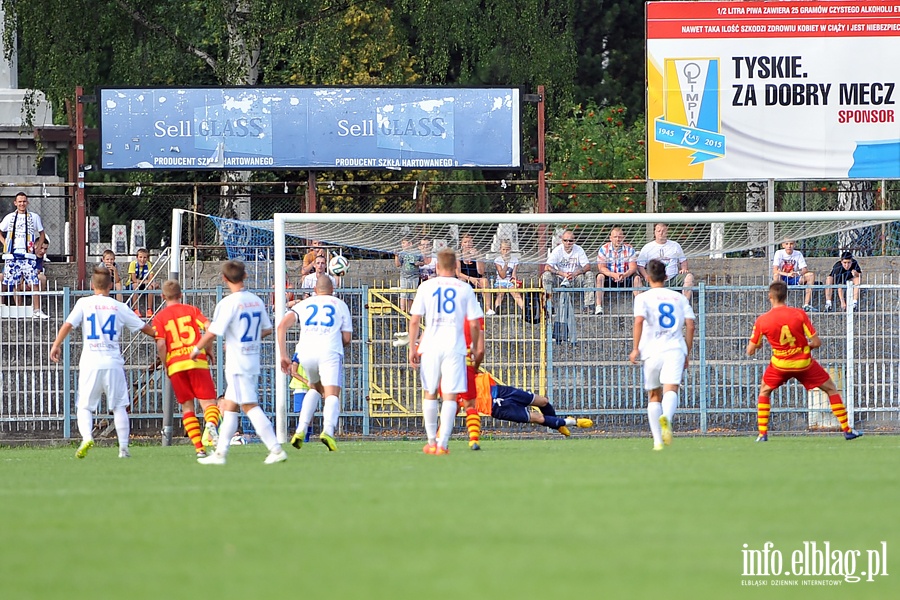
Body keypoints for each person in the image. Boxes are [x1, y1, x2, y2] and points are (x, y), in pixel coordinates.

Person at [49, 266, 155, 458]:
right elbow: (144, 328)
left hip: (90, 362)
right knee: (119, 406)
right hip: (113, 362)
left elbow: (68, 325)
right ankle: (123, 448)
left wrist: (56, 344)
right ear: (111, 286)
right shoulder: (119, 307)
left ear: (92, 285)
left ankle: (87, 437)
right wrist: (162, 335)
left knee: (85, 406)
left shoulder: (84, 303)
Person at [191, 260, 287, 465]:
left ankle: (275, 448)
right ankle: (220, 454)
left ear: (224, 279)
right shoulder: (256, 300)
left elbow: (212, 332)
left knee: (249, 406)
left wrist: (196, 348)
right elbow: (267, 329)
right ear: (245, 276)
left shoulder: (227, 303)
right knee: (230, 406)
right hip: (252, 358)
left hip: (238, 363)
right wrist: (246, 337)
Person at [746, 280, 862, 442]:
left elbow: (750, 350)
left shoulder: (762, 320)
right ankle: (847, 430)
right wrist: (803, 346)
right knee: (831, 389)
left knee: (764, 391)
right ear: (786, 296)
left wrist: (759, 345)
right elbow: (816, 342)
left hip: (780, 364)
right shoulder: (799, 314)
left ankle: (762, 434)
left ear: (770, 296)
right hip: (803, 363)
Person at [408, 248, 484, 455]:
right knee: (450, 396)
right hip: (455, 346)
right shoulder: (464, 288)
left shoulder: (426, 286)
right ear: (455, 266)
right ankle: (442, 444)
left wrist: (412, 347)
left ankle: (431, 441)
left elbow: (415, 319)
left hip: (431, 345)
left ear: (438, 266)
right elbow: (475, 324)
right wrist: (475, 347)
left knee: (430, 392)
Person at [277, 275, 353, 452]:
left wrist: (283, 354)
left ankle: (300, 430)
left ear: (315, 290)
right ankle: (328, 431)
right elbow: (347, 338)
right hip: (329, 351)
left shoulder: (303, 304)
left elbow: (281, 326)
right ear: (332, 290)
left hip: (306, 352)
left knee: (315, 388)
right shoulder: (340, 304)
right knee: (332, 393)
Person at [629, 259, 696, 451]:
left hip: (651, 350)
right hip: (675, 348)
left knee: (653, 395)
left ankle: (657, 441)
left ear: (647, 277)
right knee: (671, 390)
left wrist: (635, 348)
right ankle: (667, 416)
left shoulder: (642, 298)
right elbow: (690, 325)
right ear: (666, 277)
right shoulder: (679, 298)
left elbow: (639, 321)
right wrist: (687, 352)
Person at [153, 280, 221, 458]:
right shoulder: (191, 310)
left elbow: (161, 344)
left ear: (163, 296)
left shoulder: (160, 318)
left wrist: (166, 363)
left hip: (176, 365)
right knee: (208, 403)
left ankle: (199, 448)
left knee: (187, 407)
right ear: (180, 295)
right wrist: (208, 349)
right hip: (196, 360)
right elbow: (209, 327)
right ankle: (211, 425)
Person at [468, 371, 593, 436]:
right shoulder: (451, 392)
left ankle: (557, 424)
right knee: (537, 417)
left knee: (543, 401)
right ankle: (573, 422)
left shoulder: (459, 367)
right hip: (493, 406)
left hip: (500, 390)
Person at [0, 192, 48, 318]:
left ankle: (37, 310)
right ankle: (4, 307)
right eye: (19, 201)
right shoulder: (9, 217)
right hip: (13, 254)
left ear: (28, 202)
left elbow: (42, 233)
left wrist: (37, 248)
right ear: (15, 203)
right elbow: (0, 231)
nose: (22, 204)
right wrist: (5, 244)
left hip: (28, 254)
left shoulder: (34, 217)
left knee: (34, 281)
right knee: (8, 281)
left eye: (24, 201)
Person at [636, 223, 693, 301]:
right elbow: (640, 265)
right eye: (658, 231)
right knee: (637, 280)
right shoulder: (647, 247)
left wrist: (684, 268)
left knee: (689, 277)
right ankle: (640, 306)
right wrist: (646, 276)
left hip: (672, 279)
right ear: (654, 232)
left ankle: (685, 303)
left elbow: (683, 260)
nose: (661, 233)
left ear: (667, 232)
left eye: (663, 231)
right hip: (653, 279)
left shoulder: (675, 245)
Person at [541, 229, 593, 313]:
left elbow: (587, 266)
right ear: (562, 240)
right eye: (565, 240)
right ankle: (549, 305)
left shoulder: (579, 249)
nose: (568, 243)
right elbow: (547, 266)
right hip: (560, 279)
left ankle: (588, 305)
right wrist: (561, 273)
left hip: (575, 278)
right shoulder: (557, 250)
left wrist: (575, 273)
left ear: (574, 241)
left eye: (570, 240)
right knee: (546, 275)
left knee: (589, 274)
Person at [595, 225, 642, 315]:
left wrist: (624, 275)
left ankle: (640, 307)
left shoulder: (629, 249)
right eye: (615, 237)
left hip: (625, 277)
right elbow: (601, 267)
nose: (618, 239)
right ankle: (598, 306)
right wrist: (613, 275)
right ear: (610, 238)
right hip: (610, 277)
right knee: (600, 276)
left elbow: (633, 267)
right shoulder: (604, 249)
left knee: (637, 278)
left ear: (623, 238)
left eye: (620, 237)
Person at [771, 239, 815, 312]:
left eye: (791, 244)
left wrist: (797, 273)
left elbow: (804, 269)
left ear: (794, 245)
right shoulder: (779, 253)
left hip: (794, 277)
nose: (789, 246)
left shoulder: (798, 254)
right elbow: (775, 270)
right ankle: (776, 305)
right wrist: (787, 274)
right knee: (776, 276)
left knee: (810, 275)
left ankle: (806, 304)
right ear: (783, 245)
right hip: (782, 277)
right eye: (787, 244)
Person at [457, 232, 492, 314]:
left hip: (477, 278)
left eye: (470, 242)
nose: (467, 244)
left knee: (485, 281)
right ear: (461, 244)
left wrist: (477, 258)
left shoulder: (478, 254)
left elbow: (481, 271)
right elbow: (458, 273)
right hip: (465, 278)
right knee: (461, 281)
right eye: (465, 242)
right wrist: (470, 279)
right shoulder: (458, 255)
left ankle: (488, 309)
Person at [492, 239, 526, 313]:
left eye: (507, 249)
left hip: (510, 281)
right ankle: (497, 309)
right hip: (500, 281)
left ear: (510, 249)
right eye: (503, 249)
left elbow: (514, 274)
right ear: (500, 249)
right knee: (500, 293)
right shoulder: (497, 260)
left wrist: (515, 282)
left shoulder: (515, 260)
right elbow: (502, 275)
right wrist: (506, 264)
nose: (505, 252)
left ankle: (524, 310)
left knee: (516, 293)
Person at [394, 237, 422, 312]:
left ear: (410, 244)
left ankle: (410, 311)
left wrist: (419, 263)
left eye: (404, 243)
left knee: (412, 295)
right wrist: (396, 256)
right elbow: (398, 264)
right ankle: (402, 311)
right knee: (403, 294)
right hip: (404, 277)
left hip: (414, 277)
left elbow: (423, 262)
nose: (402, 245)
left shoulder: (417, 253)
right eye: (402, 243)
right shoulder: (402, 253)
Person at [127, 247, 158, 317]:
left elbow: (151, 277)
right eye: (140, 257)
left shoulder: (148, 264)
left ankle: (149, 310)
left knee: (150, 287)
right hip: (132, 284)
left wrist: (149, 282)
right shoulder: (133, 264)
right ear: (137, 257)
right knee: (135, 286)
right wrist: (146, 281)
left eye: (145, 257)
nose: (142, 259)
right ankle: (136, 310)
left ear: (147, 258)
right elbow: (134, 279)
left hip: (144, 284)